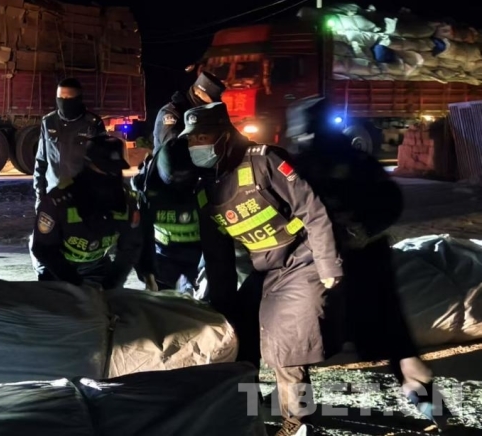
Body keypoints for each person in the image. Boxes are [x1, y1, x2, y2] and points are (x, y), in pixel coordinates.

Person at [286, 97, 451, 430]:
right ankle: (425, 401)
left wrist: (361, 228)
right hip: (341, 262)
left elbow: (388, 200)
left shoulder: (335, 164)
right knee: (385, 333)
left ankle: (425, 402)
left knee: (367, 331)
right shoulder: (320, 163)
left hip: (354, 262)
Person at [183, 101, 341, 436]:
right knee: (240, 338)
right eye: (191, 139)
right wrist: (223, 305)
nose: (196, 145)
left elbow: (313, 210)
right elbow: (217, 256)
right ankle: (248, 410)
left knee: (285, 344)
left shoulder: (264, 160)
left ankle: (298, 423)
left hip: (302, 259)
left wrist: (328, 265)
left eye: (203, 137)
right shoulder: (206, 190)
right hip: (266, 269)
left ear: (225, 135)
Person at [30, 135, 142, 288]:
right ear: (88, 166)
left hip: (97, 267)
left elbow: (130, 247)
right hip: (58, 269)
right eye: (104, 170)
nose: (111, 176)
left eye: (115, 171)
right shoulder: (58, 201)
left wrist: (112, 285)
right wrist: (76, 284)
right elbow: (43, 249)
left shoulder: (125, 201)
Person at [134, 136, 203, 293]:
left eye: (184, 177)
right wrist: (147, 272)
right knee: (163, 301)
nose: (179, 182)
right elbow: (142, 234)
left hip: (199, 258)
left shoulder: (204, 182)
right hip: (163, 260)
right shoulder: (148, 187)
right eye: (174, 178)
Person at [33, 77, 106, 213]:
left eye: (69, 98)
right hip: (53, 197)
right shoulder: (48, 122)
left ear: (79, 99)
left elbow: (102, 165)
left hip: (83, 199)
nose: (64, 102)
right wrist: (39, 195)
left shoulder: (93, 124)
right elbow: (41, 161)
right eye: (60, 98)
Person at [152, 71, 224, 151]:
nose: (211, 105)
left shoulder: (200, 115)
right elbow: (171, 148)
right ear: (198, 93)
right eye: (210, 101)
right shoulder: (172, 113)